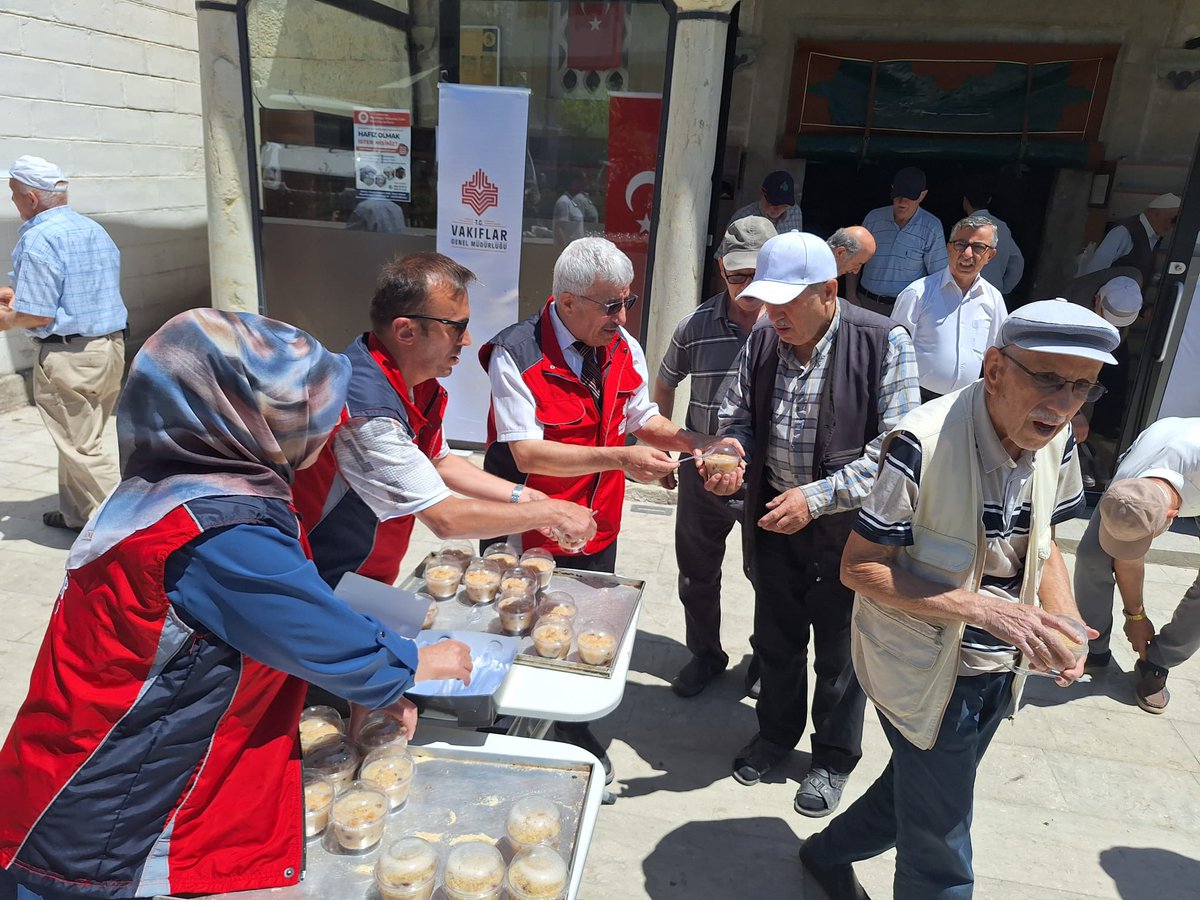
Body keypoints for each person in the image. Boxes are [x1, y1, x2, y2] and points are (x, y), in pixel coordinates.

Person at [0, 308, 473, 900]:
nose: (324, 430)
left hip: (70, 772)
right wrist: (416, 663)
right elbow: (308, 629)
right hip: (111, 816)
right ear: (250, 413)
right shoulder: (219, 529)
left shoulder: (177, 483)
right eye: (307, 412)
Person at [799, 300, 1120, 900]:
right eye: (1048, 378)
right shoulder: (919, 443)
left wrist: (1068, 621)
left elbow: (1044, 543)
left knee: (920, 792)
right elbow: (860, 567)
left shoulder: (1059, 439)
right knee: (942, 848)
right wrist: (983, 608)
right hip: (925, 674)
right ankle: (832, 856)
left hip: (1000, 672)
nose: (1063, 402)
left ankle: (825, 853)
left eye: (1082, 387)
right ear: (995, 367)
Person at [480, 236, 719, 787]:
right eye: (612, 305)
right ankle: (505, 727)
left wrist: (697, 442)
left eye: (628, 302)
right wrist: (621, 457)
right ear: (567, 303)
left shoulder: (623, 347)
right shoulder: (516, 352)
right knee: (514, 623)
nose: (623, 316)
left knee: (583, 624)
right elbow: (527, 451)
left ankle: (571, 732)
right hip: (527, 524)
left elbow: (642, 417)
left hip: (598, 521)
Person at [705, 232, 920, 818]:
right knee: (775, 638)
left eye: (786, 303)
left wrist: (819, 497)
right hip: (776, 514)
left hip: (847, 527)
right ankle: (774, 735)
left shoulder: (883, 341)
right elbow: (736, 413)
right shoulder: (764, 339)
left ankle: (832, 757)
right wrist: (730, 455)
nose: (772, 316)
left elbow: (896, 451)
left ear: (828, 291)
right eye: (766, 303)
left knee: (840, 652)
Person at [293, 252, 597, 594]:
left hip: (363, 582)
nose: (466, 341)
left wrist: (524, 496)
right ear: (405, 330)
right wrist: (552, 513)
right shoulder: (368, 413)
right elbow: (446, 518)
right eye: (457, 327)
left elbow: (438, 462)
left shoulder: (412, 382)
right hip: (322, 585)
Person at [654, 215, 777, 698]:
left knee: (768, 578)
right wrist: (667, 449)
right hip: (702, 476)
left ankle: (767, 656)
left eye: (758, 274)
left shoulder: (787, 326)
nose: (747, 286)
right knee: (696, 571)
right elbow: (664, 382)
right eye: (737, 273)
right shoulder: (697, 325)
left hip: (766, 479)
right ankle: (705, 654)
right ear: (720, 267)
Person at [0, 155, 127, 531]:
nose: (12, 201)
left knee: (81, 447)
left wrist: (7, 319)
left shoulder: (38, 239)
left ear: (31, 199)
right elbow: (75, 291)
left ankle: (125, 535)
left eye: (13, 194)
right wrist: (16, 297)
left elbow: (37, 316)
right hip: (109, 348)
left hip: (69, 356)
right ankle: (76, 515)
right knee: (80, 437)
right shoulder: (92, 229)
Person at [1073, 417, 1200, 714]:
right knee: (1092, 555)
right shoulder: (1127, 483)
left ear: (1171, 517)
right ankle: (1095, 646)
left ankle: (1158, 661)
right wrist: (1136, 617)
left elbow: (1129, 561)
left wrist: (1136, 619)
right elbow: (1127, 562)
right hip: (1163, 466)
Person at [890, 215, 1009, 403]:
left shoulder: (993, 299)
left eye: (978, 247)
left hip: (965, 402)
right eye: (960, 244)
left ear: (990, 255)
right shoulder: (918, 293)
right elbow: (893, 352)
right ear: (948, 248)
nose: (967, 254)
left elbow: (998, 354)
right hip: (917, 399)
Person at [852, 166, 948, 316]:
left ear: (922, 195)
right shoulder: (873, 218)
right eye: (898, 195)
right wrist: (851, 295)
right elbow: (853, 259)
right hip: (866, 303)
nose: (902, 201)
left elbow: (939, 276)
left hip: (906, 309)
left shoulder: (932, 227)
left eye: (910, 196)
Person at [1079, 192, 1181, 282]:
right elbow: (1095, 269)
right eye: (1173, 220)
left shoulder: (1153, 237)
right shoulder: (1124, 232)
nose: (1172, 226)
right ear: (1156, 214)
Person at [962, 181, 1024, 295]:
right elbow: (1017, 261)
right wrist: (1004, 288)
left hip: (964, 292)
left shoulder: (960, 229)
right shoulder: (1002, 227)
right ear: (989, 200)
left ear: (965, 201)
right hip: (993, 293)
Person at [727, 170, 804, 236]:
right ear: (762, 194)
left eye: (785, 206)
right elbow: (724, 252)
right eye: (774, 204)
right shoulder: (742, 218)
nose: (778, 210)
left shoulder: (795, 212)